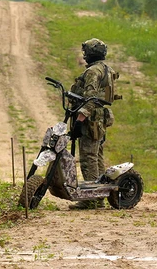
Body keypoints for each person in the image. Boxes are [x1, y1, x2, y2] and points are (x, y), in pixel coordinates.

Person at [68, 38, 119, 210]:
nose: (84, 56)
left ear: (91, 54)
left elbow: (90, 98)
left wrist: (80, 119)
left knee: (88, 158)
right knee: (97, 158)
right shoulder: (106, 69)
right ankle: (99, 197)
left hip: (90, 120)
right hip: (100, 119)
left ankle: (90, 199)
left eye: (86, 53)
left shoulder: (93, 71)